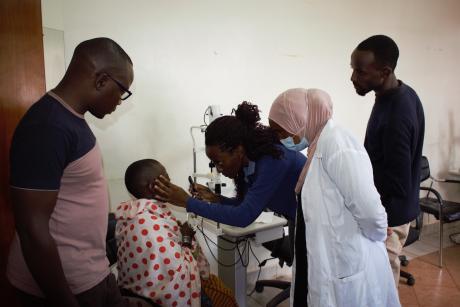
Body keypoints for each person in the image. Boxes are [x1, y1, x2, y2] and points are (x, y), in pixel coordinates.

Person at [7, 38, 134, 307]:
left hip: (87, 274)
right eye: (122, 91)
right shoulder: (47, 127)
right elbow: (31, 228)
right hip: (67, 287)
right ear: (101, 80)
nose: (120, 102)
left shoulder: (69, 120)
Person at [269, 88, 400, 307]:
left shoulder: (338, 143)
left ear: (299, 120)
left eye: (281, 132)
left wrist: (379, 232)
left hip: (345, 262)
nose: (281, 139)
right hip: (322, 258)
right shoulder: (316, 147)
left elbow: (369, 208)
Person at [152, 101, 306, 227]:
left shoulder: (272, 160)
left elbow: (243, 216)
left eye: (219, 162)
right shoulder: (249, 166)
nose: (218, 169)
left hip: (317, 219)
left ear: (238, 150)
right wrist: (216, 199)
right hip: (301, 219)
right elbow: (243, 204)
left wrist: (187, 201)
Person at [351, 35, 425, 286]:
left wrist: (382, 220)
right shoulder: (400, 93)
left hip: (389, 218)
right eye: (352, 69)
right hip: (390, 211)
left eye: (360, 72)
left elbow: (397, 181)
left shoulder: (397, 114)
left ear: (385, 72)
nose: (353, 78)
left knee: (382, 290)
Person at [115, 159, 238, 307]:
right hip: (161, 299)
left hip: (138, 293)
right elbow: (179, 273)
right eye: (167, 179)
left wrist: (175, 233)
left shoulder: (129, 215)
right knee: (226, 298)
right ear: (153, 187)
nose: (171, 183)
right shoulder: (150, 225)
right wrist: (186, 236)